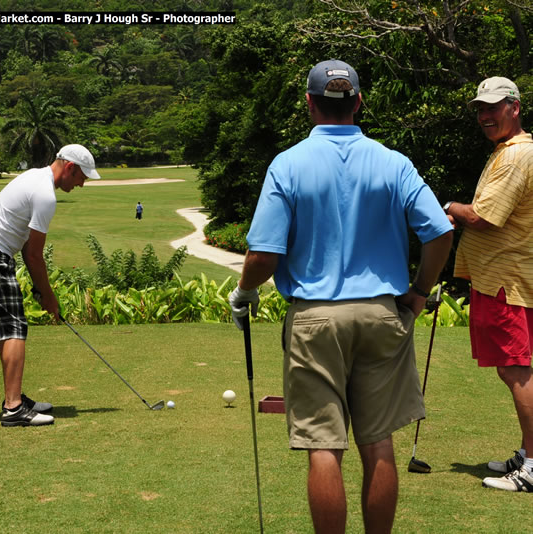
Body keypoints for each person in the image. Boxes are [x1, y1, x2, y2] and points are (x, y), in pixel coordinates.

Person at [228, 60, 453, 533]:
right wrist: (417, 292)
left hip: (314, 320)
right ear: (359, 101)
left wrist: (245, 292)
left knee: (324, 447)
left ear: (309, 103)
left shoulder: (288, 163)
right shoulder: (394, 162)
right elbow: (439, 233)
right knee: (378, 443)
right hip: (381, 316)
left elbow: (264, 255)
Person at [0, 144, 101, 427]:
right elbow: (34, 254)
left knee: (10, 327)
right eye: (81, 177)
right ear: (70, 167)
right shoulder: (45, 195)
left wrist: (41, 290)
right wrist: (50, 297)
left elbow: (27, 245)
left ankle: (13, 399)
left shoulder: (35, 176)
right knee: (14, 328)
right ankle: (14, 409)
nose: (82, 183)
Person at [444, 76, 533, 492]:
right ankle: (528, 451)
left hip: (506, 281)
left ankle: (532, 466)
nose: (485, 115)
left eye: (493, 107)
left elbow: (483, 217)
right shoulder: (510, 152)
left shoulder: (516, 155)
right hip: (506, 277)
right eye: (480, 108)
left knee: (516, 369)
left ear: (515, 107)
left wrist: (450, 208)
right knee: (515, 368)